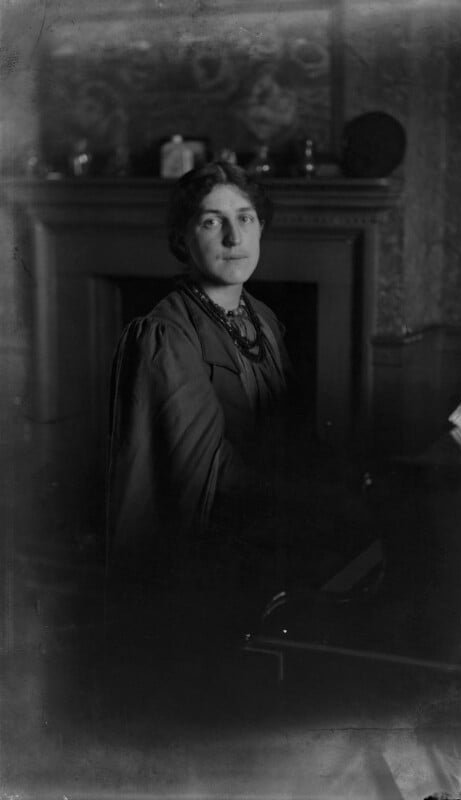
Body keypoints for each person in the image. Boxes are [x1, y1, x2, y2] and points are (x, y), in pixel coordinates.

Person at [106, 162, 293, 645]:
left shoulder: (262, 319)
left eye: (245, 218)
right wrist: (307, 495)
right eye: (212, 221)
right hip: (207, 557)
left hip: (266, 530)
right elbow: (205, 479)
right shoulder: (165, 334)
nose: (234, 237)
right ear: (182, 239)